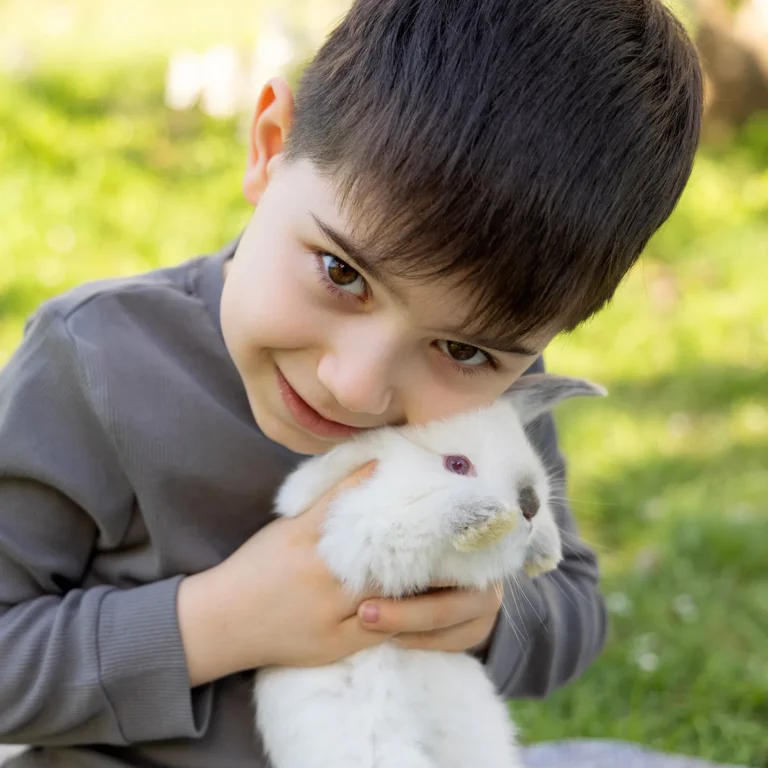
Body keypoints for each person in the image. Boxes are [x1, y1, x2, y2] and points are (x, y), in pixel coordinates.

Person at [0, 0, 703, 765]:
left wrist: (481, 616)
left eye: (462, 350)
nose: (357, 387)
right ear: (270, 148)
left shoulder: (490, 403)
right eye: (342, 273)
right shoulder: (98, 356)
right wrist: (218, 622)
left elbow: (570, 600)